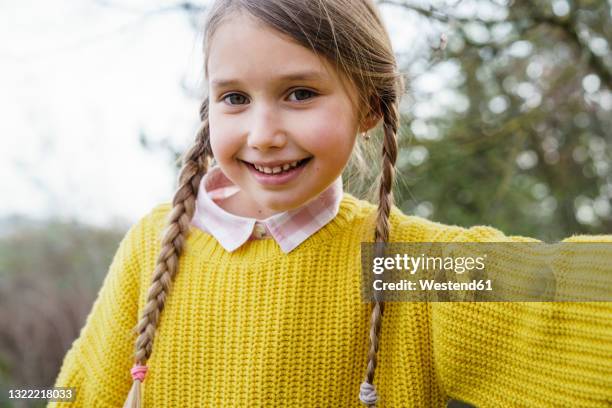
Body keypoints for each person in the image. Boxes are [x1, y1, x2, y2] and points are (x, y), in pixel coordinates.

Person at [49, 1, 611, 407]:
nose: (263, 132)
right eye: (235, 98)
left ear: (369, 107)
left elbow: (574, 290)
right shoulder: (155, 244)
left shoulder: (401, 266)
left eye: (300, 93)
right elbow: (78, 392)